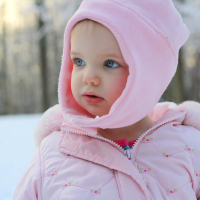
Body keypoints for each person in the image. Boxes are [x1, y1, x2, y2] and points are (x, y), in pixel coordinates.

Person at [13, 0, 200, 199]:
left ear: (149, 75)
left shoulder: (188, 147)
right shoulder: (53, 154)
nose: (88, 77)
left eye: (109, 63)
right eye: (79, 61)